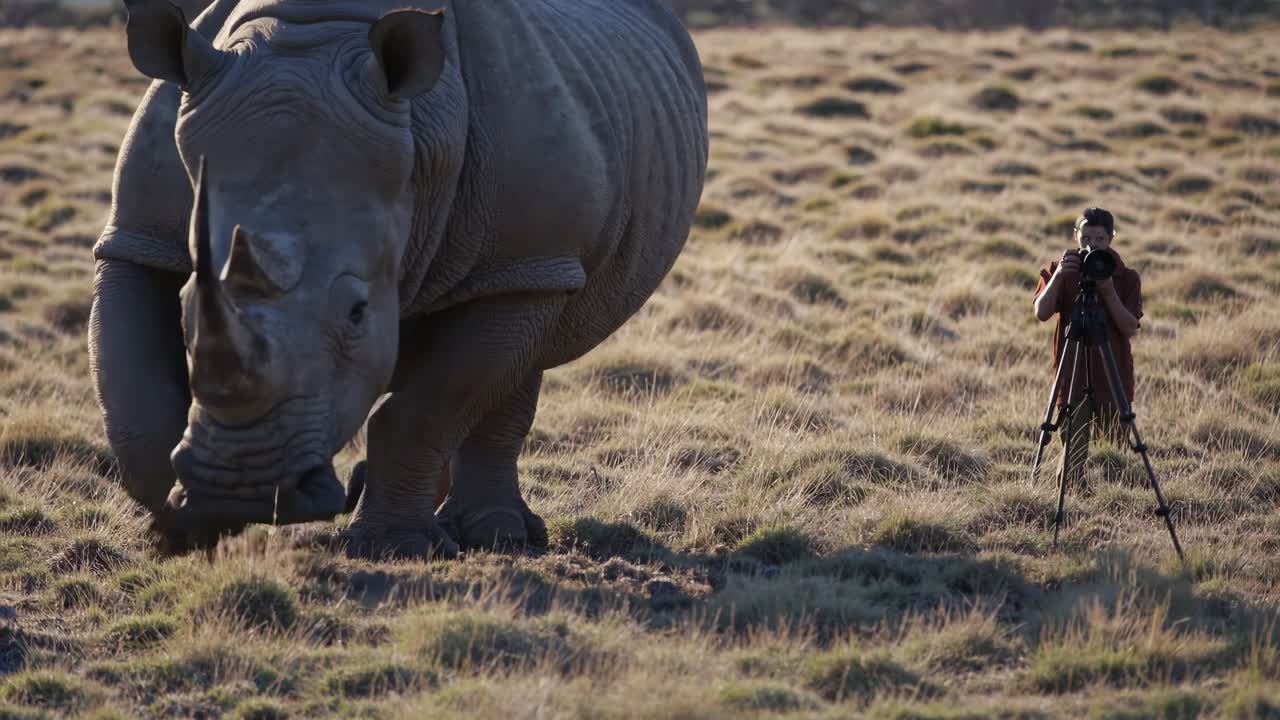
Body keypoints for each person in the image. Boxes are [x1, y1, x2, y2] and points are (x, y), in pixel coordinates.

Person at [1032, 207, 1143, 491]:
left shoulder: (1125, 277)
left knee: (1114, 454)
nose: (1091, 245)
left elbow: (1130, 327)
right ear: (1076, 236)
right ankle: (1073, 504)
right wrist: (1058, 277)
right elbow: (1041, 312)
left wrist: (1107, 290)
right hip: (1073, 378)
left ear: (1111, 239)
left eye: (1100, 239)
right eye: (1086, 238)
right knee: (1073, 453)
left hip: (1112, 375)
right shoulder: (1063, 270)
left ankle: (1114, 505)